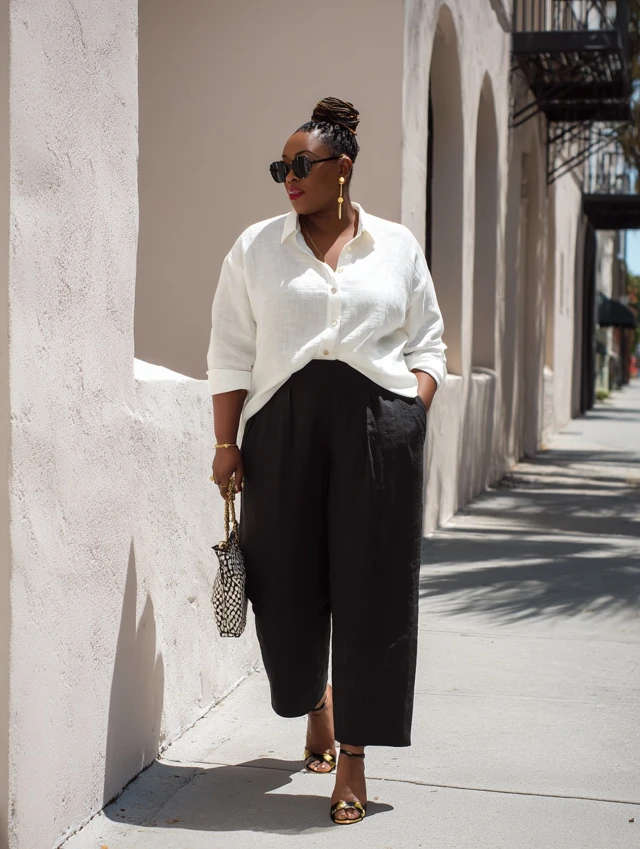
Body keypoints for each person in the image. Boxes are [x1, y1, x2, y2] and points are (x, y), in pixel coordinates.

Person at [206, 97, 446, 825]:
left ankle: (354, 758)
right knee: (283, 585)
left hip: (380, 431)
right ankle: (316, 700)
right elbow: (230, 351)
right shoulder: (255, 248)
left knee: (375, 591)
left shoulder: (397, 246)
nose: (289, 178)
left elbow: (428, 341)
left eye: (301, 164)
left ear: (342, 167)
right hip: (281, 430)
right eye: (281, 167)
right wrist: (225, 442)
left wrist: (410, 410)